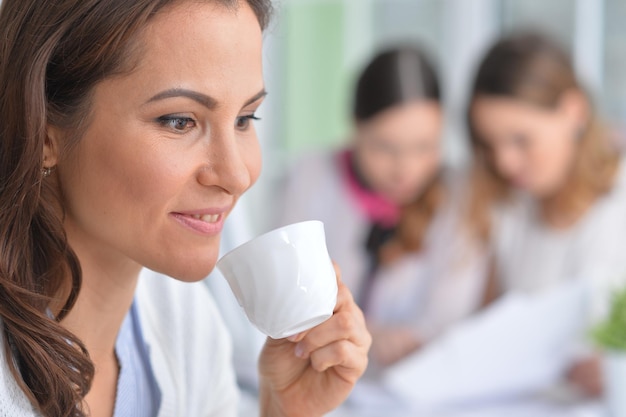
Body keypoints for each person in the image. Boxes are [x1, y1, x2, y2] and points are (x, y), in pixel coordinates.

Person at [0, 1, 371, 417]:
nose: (236, 175)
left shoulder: (189, 327)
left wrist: (284, 412)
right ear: (44, 134)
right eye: (180, 121)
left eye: (246, 119)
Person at [280, 46, 487, 369]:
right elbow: (290, 298)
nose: (406, 169)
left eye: (425, 147)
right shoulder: (310, 179)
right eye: (385, 147)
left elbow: (451, 318)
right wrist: (368, 334)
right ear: (355, 126)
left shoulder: (460, 196)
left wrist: (401, 339)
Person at [466, 32, 626, 398]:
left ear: (573, 112)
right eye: (490, 145)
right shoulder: (508, 210)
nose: (504, 162)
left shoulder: (619, 201)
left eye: (521, 140)